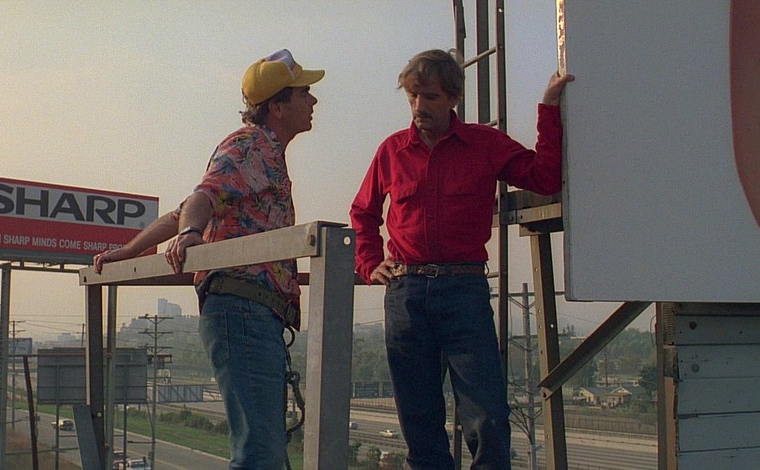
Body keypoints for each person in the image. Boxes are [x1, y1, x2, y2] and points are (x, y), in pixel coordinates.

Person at [93, 48, 324, 469]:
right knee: (260, 455)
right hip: (244, 311)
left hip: (251, 314)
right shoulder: (251, 145)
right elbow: (201, 200)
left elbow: (188, 206)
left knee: (264, 452)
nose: (313, 100)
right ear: (277, 106)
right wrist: (189, 234)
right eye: (303, 92)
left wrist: (130, 250)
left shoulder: (264, 153)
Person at [349, 49, 574, 470]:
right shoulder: (392, 151)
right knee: (419, 419)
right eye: (413, 96)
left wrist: (548, 107)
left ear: (453, 98)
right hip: (406, 291)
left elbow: (543, 178)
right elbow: (363, 211)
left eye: (430, 97)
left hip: (463, 290)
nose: (419, 106)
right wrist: (369, 262)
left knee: (486, 414)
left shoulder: (484, 144)